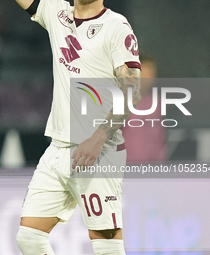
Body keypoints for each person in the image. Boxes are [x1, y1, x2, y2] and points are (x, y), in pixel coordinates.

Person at [14, 0, 141, 254]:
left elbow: (132, 92)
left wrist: (98, 137)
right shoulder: (56, 12)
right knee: (28, 238)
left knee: (106, 243)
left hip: (99, 150)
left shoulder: (116, 26)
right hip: (58, 148)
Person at [122, 55, 167, 162]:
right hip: (127, 166)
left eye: (151, 73)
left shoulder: (157, 101)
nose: (148, 78)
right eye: (144, 74)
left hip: (153, 167)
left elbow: (159, 136)